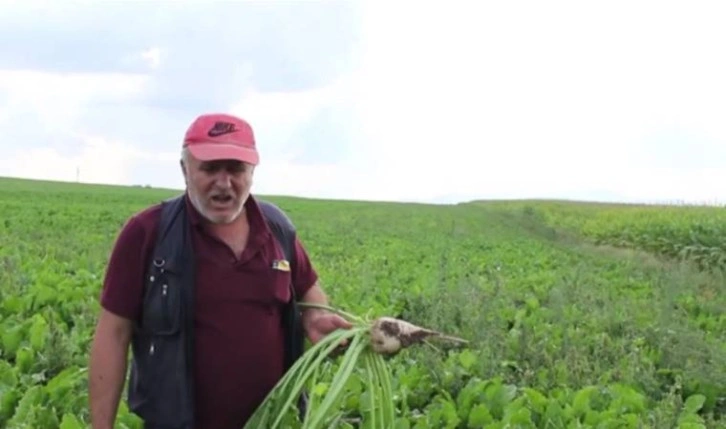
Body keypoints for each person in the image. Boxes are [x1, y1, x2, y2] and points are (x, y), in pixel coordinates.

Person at [88, 113, 352, 429]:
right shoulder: (148, 232)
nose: (224, 183)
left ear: (252, 172)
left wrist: (314, 318)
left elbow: (308, 289)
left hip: (274, 421)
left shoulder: (276, 228)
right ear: (185, 170)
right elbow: (113, 334)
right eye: (210, 168)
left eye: (236, 169)